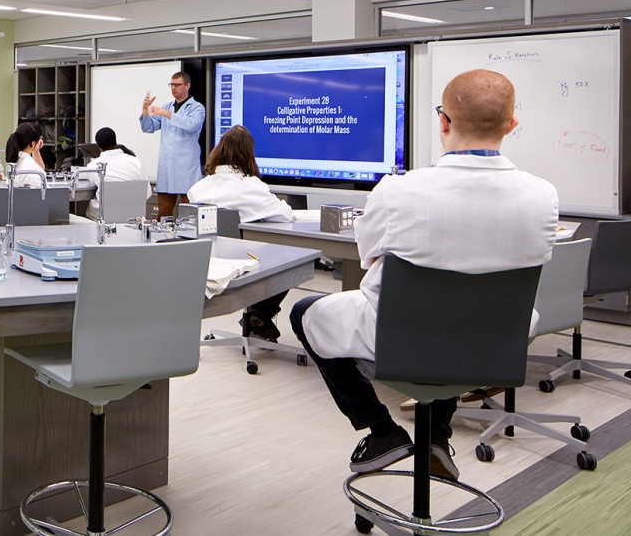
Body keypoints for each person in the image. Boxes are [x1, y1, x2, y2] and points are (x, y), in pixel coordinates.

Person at [289, 69, 557, 482]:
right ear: (512, 125)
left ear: (444, 122)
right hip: (493, 345)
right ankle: (436, 435)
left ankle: (381, 432)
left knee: (305, 311)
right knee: (463, 322)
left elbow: (367, 258)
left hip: (404, 340)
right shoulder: (543, 196)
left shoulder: (398, 190)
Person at [187, 125, 294, 341]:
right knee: (290, 260)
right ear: (249, 154)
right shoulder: (252, 187)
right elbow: (285, 215)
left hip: (210, 262)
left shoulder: (198, 188)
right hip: (244, 263)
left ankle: (257, 316)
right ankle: (260, 313)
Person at [139, 71, 205, 219]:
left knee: (191, 214)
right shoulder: (167, 106)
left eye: (177, 85)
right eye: (172, 85)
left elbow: (191, 125)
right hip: (167, 168)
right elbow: (148, 127)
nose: (173, 88)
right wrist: (145, 110)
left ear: (187, 86)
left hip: (186, 167)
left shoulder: (197, 108)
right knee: (163, 213)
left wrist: (166, 114)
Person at [80, 127, 144, 221]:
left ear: (99, 147)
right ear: (116, 141)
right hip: (133, 219)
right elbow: (146, 194)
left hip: (102, 219)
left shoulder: (93, 166)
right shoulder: (137, 162)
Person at [4, 122, 47, 188]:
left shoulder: (17, 160)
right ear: (33, 143)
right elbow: (46, 193)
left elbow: (40, 168)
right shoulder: (33, 170)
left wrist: (36, 151)